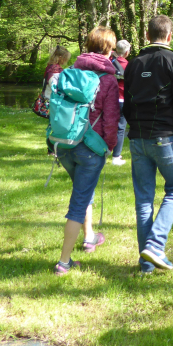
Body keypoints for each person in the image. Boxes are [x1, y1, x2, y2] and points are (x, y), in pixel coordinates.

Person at [124, 15, 173, 274]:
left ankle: (146, 264)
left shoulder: (133, 64)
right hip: (165, 138)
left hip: (138, 138)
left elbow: (128, 103)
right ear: (169, 35)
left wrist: (133, 129)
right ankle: (155, 246)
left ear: (147, 36)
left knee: (143, 200)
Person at [54, 27, 121, 275]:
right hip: (90, 147)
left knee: (84, 190)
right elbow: (112, 118)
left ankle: (89, 236)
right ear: (108, 48)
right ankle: (64, 262)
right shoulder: (108, 79)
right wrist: (110, 147)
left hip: (64, 144)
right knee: (79, 202)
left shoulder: (70, 71)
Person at [43, 46, 71, 153]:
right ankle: (51, 149)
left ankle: (54, 148)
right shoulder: (54, 70)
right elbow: (54, 86)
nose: (66, 61)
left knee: (54, 125)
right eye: (65, 58)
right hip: (52, 100)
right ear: (60, 57)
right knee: (54, 126)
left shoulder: (53, 68)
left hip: (53, 99)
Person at [111, 40, 131, 166]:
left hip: (109, 99)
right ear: (127, 52)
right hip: (123, 98)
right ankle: (116, 156)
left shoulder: (109, 62)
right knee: (120, 128)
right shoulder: (128, 65)